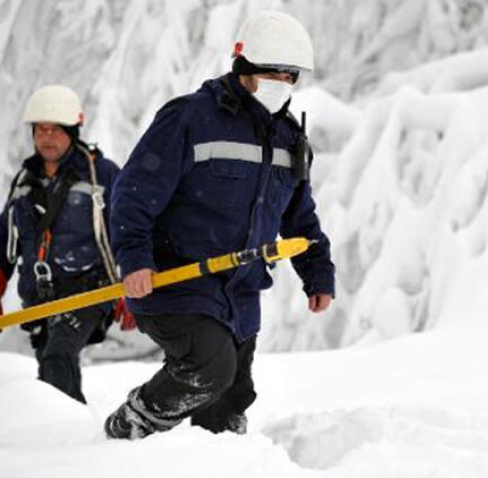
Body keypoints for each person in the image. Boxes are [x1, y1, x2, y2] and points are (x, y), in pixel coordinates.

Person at [105, 10, 335, 439]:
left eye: (291, 77)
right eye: (273, 73)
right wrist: (134, 260)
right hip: (176, 279)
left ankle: (219, 462)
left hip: (242, 289)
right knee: (209, 369)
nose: (281, 84)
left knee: (231, 396)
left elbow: (300, 216)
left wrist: (318, 273)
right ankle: (127, 429)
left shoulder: (289, 139)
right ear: (244, 69)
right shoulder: (190, 118)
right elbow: (133, 193)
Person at [0, 84, 135, 404]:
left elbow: (131, 229)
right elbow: (3, 236)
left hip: (91, 289)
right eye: (40, 130)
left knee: (58, 355)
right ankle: (56, 435)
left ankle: (70, 433)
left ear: (73, 132)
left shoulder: (101, 175)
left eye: (56, 130)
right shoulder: (24, 181)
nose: (47, 137)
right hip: (40, 294)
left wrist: (130, 288)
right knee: (48, 374)